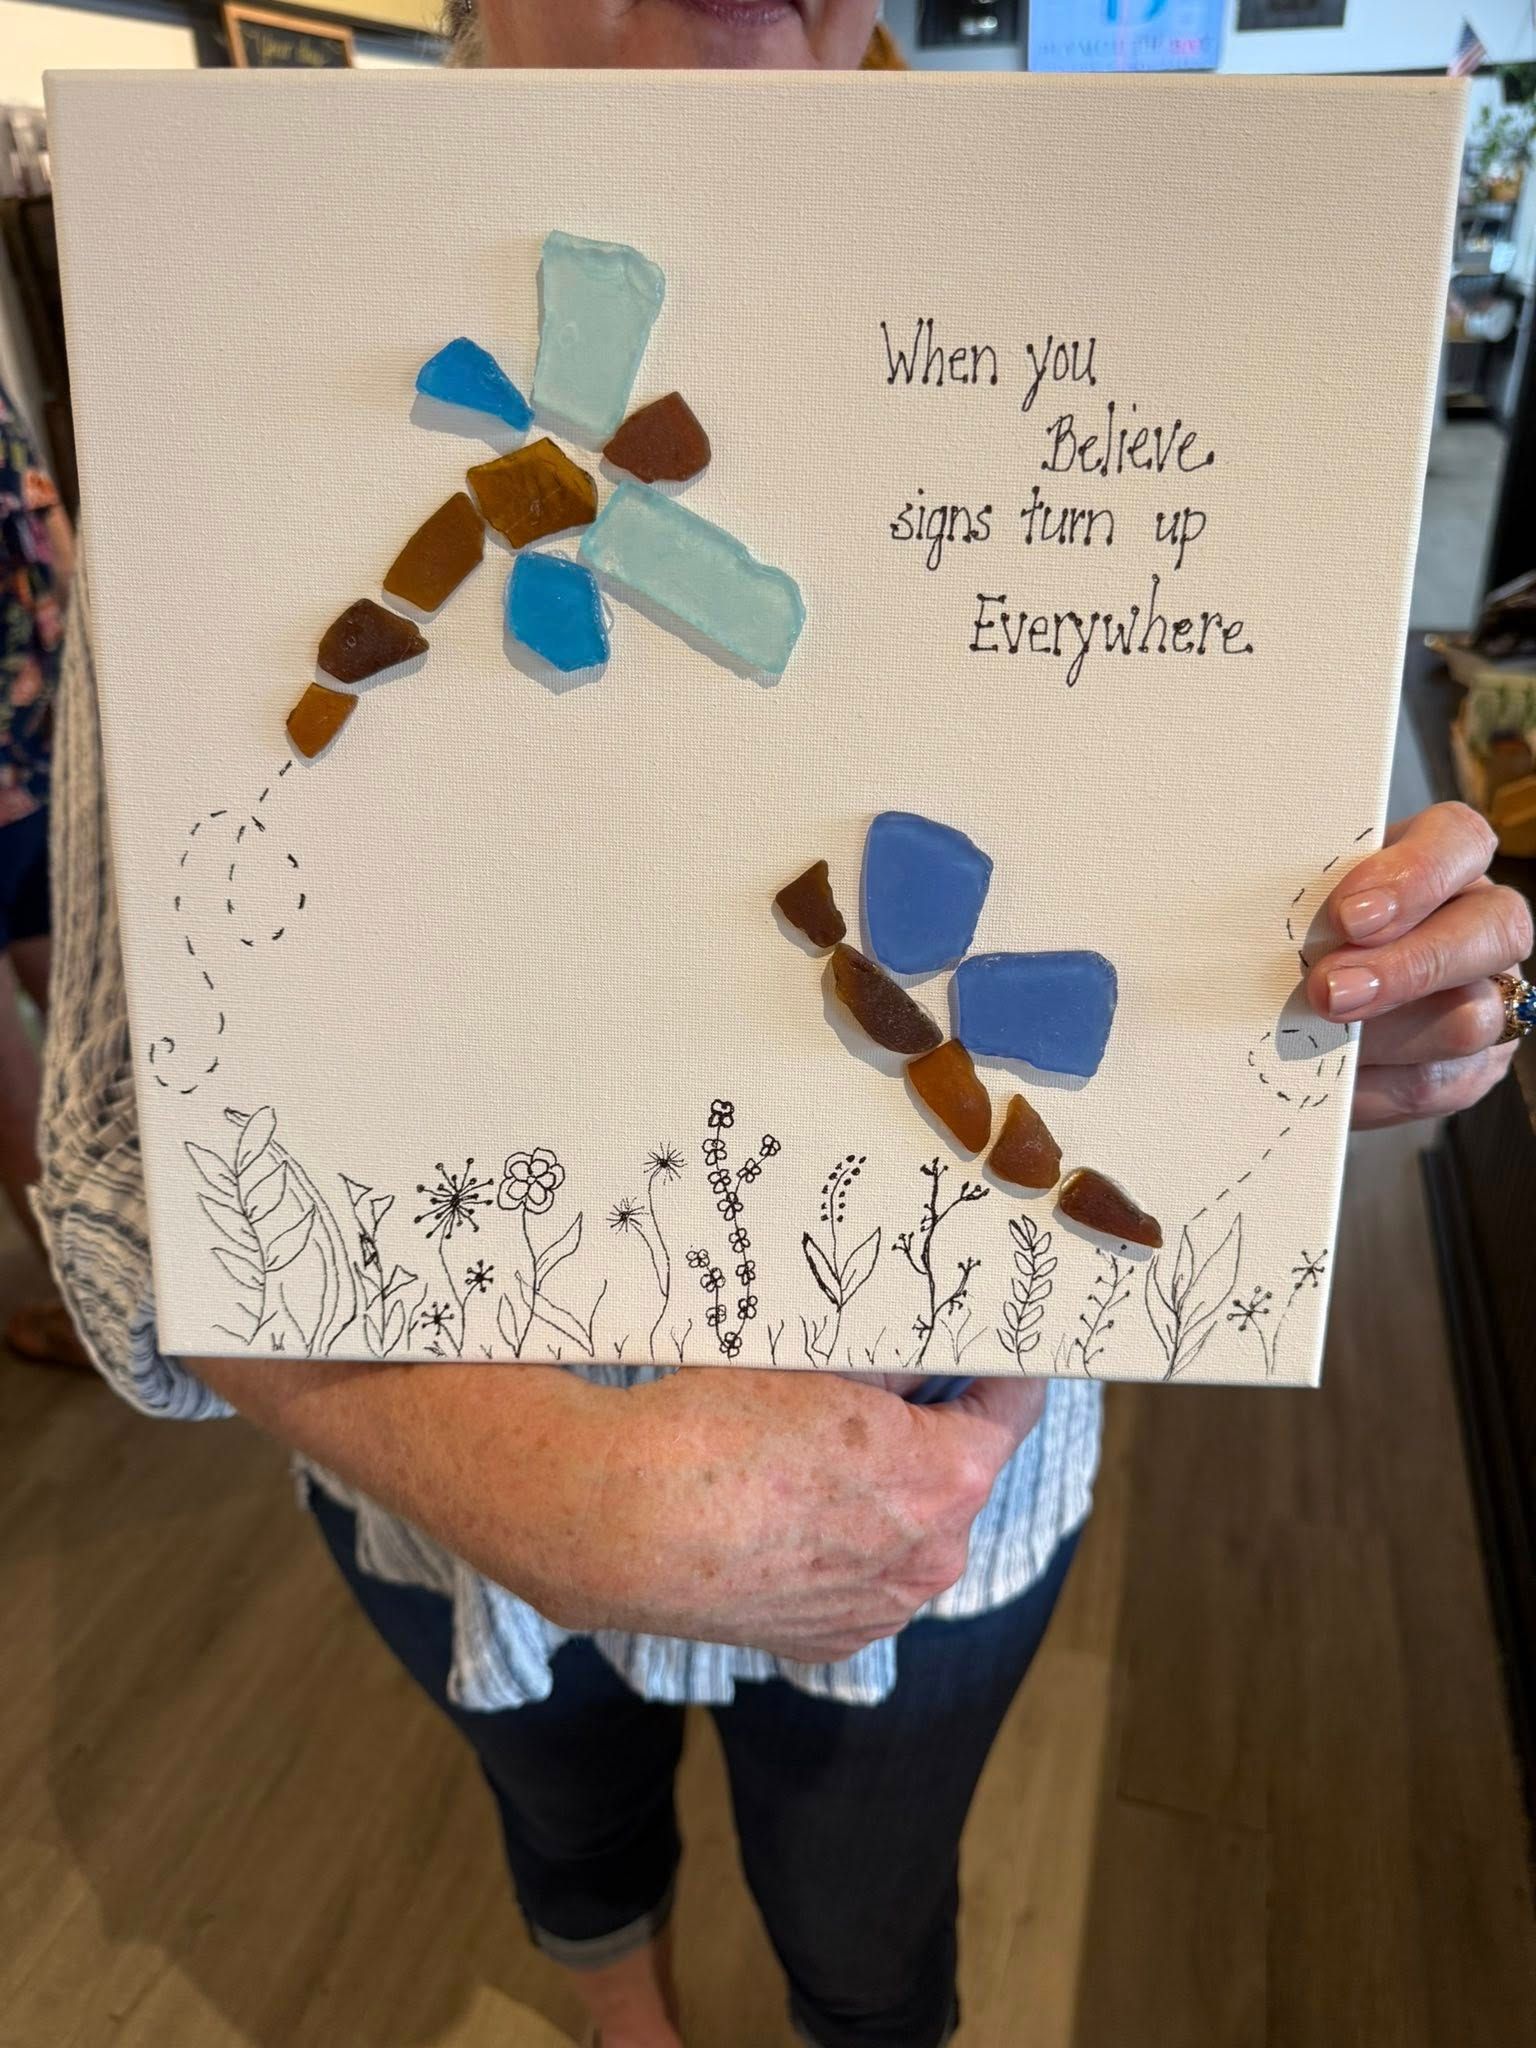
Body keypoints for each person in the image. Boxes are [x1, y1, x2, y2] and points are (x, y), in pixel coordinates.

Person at [35, 8, 1535, 2047]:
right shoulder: (227, 343)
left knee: (865, 1924)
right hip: (444, 1520)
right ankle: (622, 2010)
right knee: (568, 1842)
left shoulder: (1136, 333)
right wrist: (489, 1468)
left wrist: (1312, 1039)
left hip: (939, 1502)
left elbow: (1175, 962)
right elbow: (126, 1187)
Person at [0, 374, 86, 1369]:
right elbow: (42, 519)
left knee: (9, 1065)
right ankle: (166, 1271)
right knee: (73, 1013)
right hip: (32, 739)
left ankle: (87, 1308)